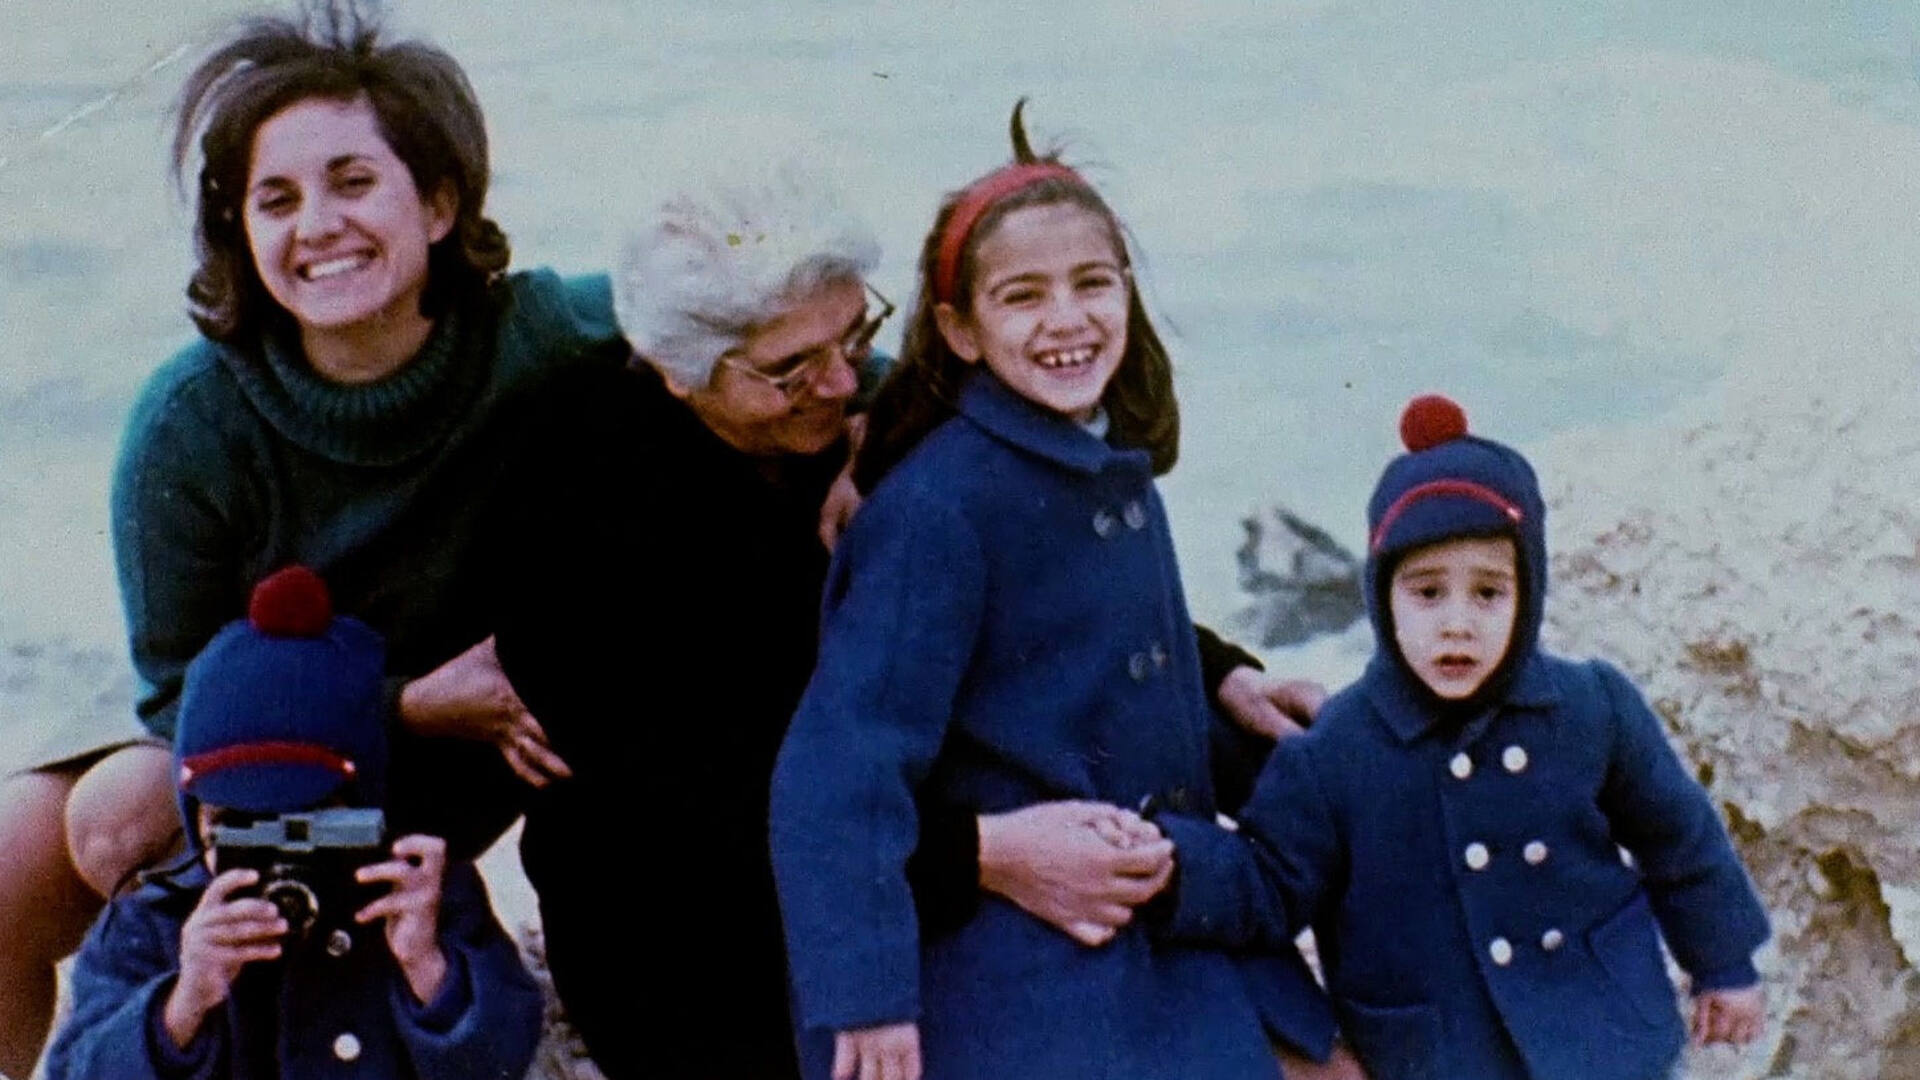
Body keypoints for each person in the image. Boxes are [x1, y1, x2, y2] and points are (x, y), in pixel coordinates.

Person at [487, 113, 1335, 1080]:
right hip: (703, 927)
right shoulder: (577, 495)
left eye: (854, 333)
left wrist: (1218, 673)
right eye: (792, 369)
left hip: (897, 857)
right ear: (681, 375)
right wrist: (983, 855)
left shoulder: (873, 417)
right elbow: (703, 803)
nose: (841, 382)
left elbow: (1041, 576)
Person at [0, 6, 622, 1072]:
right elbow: (174, 698)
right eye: (276, 199)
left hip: (468, 757)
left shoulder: (540, 332)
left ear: (439, 202)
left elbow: (735, 312)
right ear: (238, 230)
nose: (319, 225)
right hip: (273, 754)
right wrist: (406, 703)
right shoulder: (190, 423)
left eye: (353, 181)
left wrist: (856, 445)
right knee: (50, 839)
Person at [768, 110, 1341, 1080]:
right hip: (1019, 943)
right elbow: (837, 770)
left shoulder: (1100, 464)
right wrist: (865, 1002)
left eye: (1092, 283)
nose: (1067, 319)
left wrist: (1234, 696)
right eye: (1023, 296)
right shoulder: (937, 513)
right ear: (961, 329)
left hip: (1154, 907)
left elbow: (1093, 663)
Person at [1154, 395, 1772, 1080]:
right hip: (1440, 1052)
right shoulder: (1336, 752)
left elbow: (1680, 839)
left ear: (1528, 593)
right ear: (1382, 596)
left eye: (1488, 593)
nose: (1457, 623)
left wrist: (1724, 964)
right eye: (1427, 593)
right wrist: (1173, 865)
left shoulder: (1591, 707)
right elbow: (1271, 883)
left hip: (1600, 1027)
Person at [44, 566, 543, 1080]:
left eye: (308, 824)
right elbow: (75, 1071)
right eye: (240, 829)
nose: (280, 851)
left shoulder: (416, 898)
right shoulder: (153, 921)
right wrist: (180, 1006)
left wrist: (429, 969)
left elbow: (504, 1057)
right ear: (195, 817)